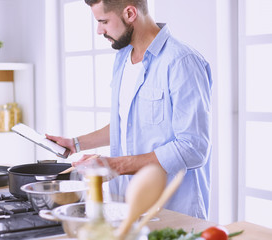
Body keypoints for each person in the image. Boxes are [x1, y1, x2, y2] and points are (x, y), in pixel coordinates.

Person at [47, 0, 212, 219]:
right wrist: (76, 143)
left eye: (103, 21)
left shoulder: (182, 62)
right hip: (126, 208)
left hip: (173, 212)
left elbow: (193, 148)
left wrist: (114, 165)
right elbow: (126, 123)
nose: (99, 30)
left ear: (130, 13)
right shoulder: (123, 58)